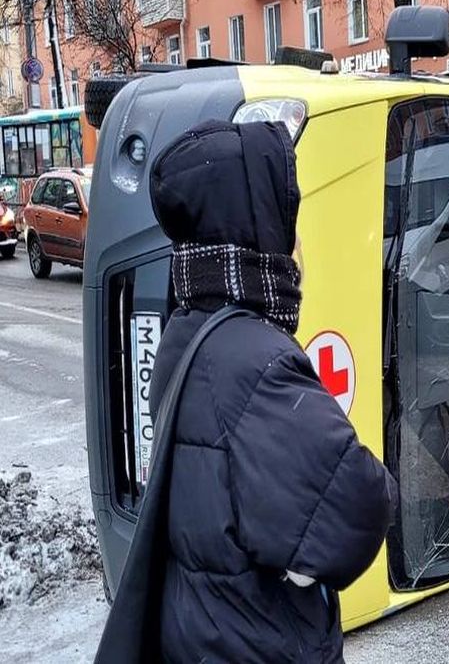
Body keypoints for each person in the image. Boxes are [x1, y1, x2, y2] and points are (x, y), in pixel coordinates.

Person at [98, 119, 396, 663]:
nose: (297, 241)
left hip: (208, 632)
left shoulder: (189, 330)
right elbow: (356, 505)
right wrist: (304, 570)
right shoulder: (254, 360)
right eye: (289, 221)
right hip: (255, 643)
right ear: (256, 227)